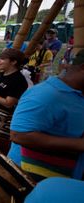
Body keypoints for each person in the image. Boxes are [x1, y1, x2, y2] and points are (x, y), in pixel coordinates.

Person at [8, 49, 84, 182]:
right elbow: (18, 135)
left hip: (64, 175)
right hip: (28, 177)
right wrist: (79, 144)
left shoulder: (77, 94)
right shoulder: (46, 94)